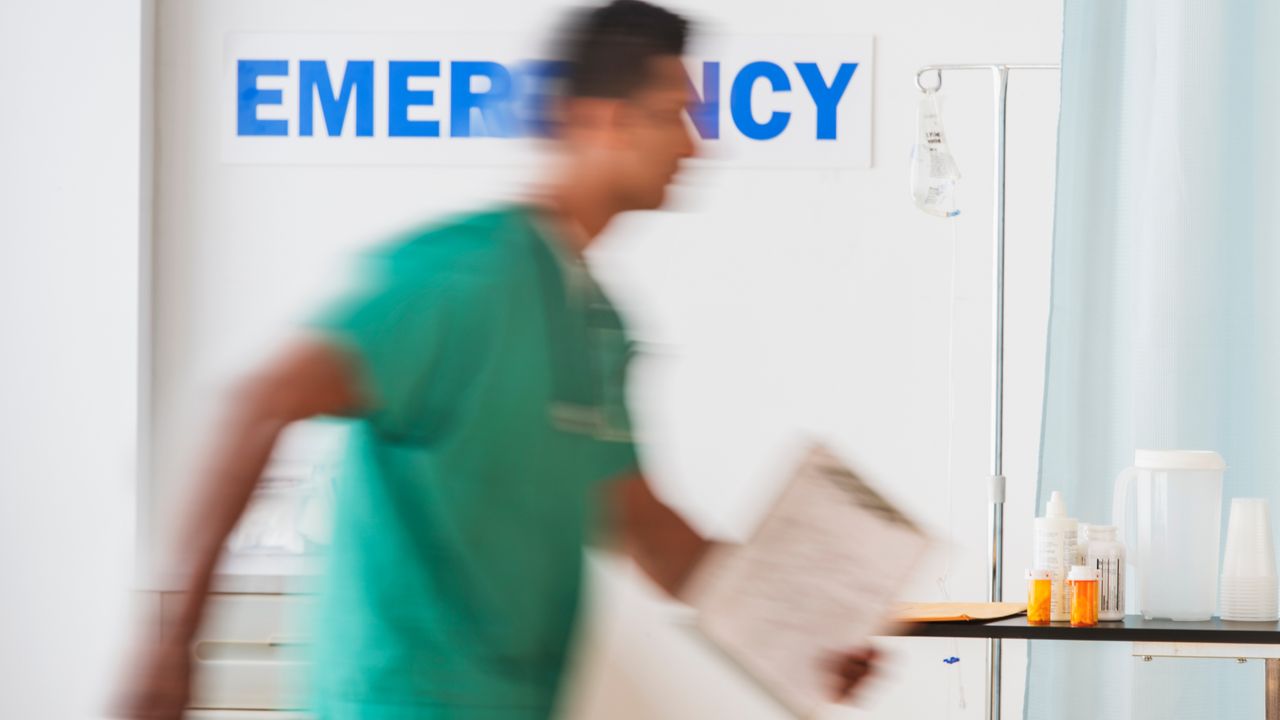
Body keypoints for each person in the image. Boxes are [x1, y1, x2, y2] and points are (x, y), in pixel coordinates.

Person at [116, 2, 875, 718]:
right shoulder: (458, 280)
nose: (695, 142)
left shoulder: (597, 324)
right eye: (675, 113)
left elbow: (650, 533)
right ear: (602, 121)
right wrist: (171, 642)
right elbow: (258, 404)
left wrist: (807, 632)